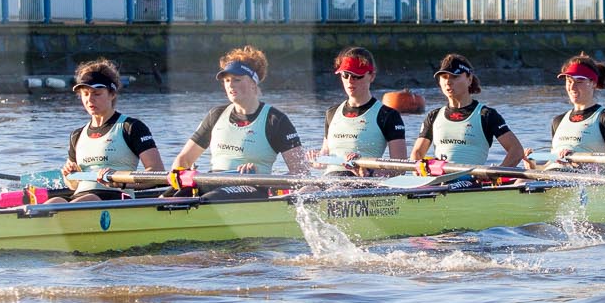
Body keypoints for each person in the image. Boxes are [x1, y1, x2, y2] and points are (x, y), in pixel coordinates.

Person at [170, 45, 310, 191]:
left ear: (253, 84)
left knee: (205, 198)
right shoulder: (216, 115)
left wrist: (264, 182)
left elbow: (301, 172)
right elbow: (184, 160)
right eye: (227, 80)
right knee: (172, 195)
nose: (230, 85)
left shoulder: (275, 120)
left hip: (254, 188)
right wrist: (178, 175)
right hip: (213, 183)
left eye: (237, 79)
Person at [60, 59, 162, 201]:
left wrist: (122, 181)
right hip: (81, 198)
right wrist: (69, 175)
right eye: (85, 93)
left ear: (112, 94)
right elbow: (73, 185)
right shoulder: (76, 135)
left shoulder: (131, 127)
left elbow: (157, 173)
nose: (90, 100)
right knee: (53, 202)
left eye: (97, 94)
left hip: (116, 197)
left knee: (85, 200)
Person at [409, 53, 526, 168]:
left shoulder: (486, 115)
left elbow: (516, 151)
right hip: (439, 181)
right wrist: (419, 171)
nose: (448, 82)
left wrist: (495, 176)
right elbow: (417, 154)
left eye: (455, 77)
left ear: (469, 80)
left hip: (473, 182)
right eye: (444, 77)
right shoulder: (433, 116)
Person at [318, 46, 409, 172]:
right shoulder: (331, 113)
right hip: (328, 181)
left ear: (371, 76)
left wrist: (369, 171)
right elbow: (324, 155)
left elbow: (400, 168)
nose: (350, 81)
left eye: (357, 76)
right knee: (303, 191)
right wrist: (316, 159)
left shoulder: (388, 115)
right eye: (345, 75)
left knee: (333, 190)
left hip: (362, 182)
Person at [546, 53, 605, 159]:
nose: (572, 87)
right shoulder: (558, 121)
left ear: (593, 83)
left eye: (579, 81)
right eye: (569, 81)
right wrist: (531, 164)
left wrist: (578, 159)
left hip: (588, 174)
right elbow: (548, 164)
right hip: (555, 173)